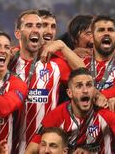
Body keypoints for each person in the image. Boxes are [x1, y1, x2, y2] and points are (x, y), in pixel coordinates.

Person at [8, 10, 85, 153]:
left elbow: (84, 73)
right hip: (9, 143)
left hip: (44, 146)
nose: (45, 30)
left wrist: (62, 46)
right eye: (42, 25)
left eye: (39, 25)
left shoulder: (56, 64)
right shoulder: (10, 60)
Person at [26, 68, 115, 153]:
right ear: (70, 93)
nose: (85, 90)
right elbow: (31, 149)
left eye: (89, 85)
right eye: (79, 86)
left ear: (94, 91)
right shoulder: (57, 115)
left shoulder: (107, 112)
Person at [83, 15, 115, 109]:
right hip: (84, 122)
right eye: (101, 30)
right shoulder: (80, 62)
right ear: (92, 38)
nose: (106, 33)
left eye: (110, 30)